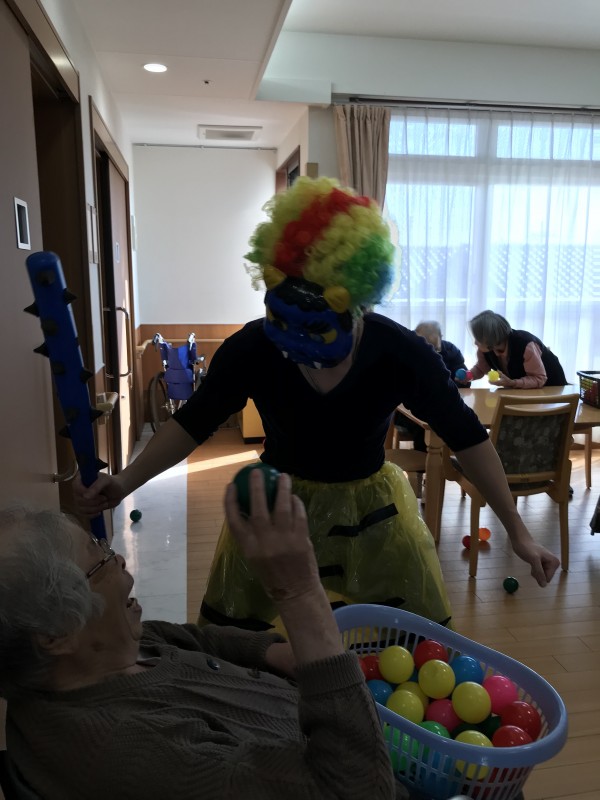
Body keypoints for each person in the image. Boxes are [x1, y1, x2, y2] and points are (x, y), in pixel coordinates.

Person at [74, 177, 559, 635]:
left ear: (356, 303)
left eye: (317, 329)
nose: (298, 346)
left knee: (405, 641)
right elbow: (192, 422)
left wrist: (518, 532)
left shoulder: (400, 353)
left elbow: (467, 437)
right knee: (245, 645)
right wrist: (125, 481)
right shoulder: (254, 347)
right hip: (278, 510)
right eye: (285, 325)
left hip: (372, 513)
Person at [0, 473, 401, 800]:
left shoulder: (104, 654)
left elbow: (193, 641)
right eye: (98, 559)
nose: (118, 558)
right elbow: (357, 791)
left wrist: (273, 653)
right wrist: (300, 593)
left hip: (347, 738)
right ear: (57, 634)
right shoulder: (132, 752)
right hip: (358, 766)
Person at [394, 321, 470, 452]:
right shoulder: (407, 351)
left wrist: (464, 379)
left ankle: (447, 460)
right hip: (410, 409)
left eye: (435, 349)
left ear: (441, 337)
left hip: (445, 404)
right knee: (425, 423)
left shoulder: (451, 351)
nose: (431, 354)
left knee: (462, 420)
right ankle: (424, 461)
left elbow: (465, 380)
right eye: (425, 347)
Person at [468, 310, 568, 389]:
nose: (475, 343)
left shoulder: (526, 345)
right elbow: (481, 368)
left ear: (490, 337)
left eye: (478, 338)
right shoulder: (486, 348)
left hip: (552, 388)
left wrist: (512, 383)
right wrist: (467, 376)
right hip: (525, 390)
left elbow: (539, 378)